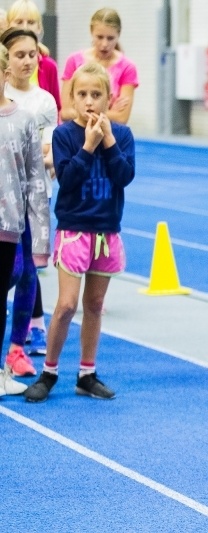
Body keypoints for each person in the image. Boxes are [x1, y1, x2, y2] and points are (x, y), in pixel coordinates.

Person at [24, 62, 135, 403]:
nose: (90, 101)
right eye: (83, 94)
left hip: (106, 231)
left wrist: (109, 142)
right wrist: (88, 146)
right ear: (71, 98)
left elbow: (124, 176)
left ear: (108, 99)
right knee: (67, 305)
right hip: (74, 230)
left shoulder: (123, 136)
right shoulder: (65, 135)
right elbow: (68, 180)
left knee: (96, 304)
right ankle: (50, 371)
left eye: (97, 95)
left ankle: (87, 373)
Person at [7, 0, 62, 353]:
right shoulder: (3, 94)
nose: (28, 61)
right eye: (20, 55)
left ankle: (18, 348)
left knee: (28, 272)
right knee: (9, 272)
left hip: (34, 195)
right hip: (4, 197)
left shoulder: (44, 102)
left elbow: (47, 150)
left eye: (32, 56)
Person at [0, 42, 50, 397]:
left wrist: (41, 239)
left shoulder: (25, 119)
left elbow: (35, 180)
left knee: (13, 280)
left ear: (4, 76)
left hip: (10, 226)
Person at [60, 7, 137, 125]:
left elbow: (122, 118)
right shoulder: (74, 61)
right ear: (91, 32)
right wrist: (107, 111)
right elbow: (65, 112)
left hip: (109, 134)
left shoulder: (127, 67)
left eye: (110, 38)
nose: (104, 44)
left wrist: (80, 110)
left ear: (118, 35)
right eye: (99, 37)